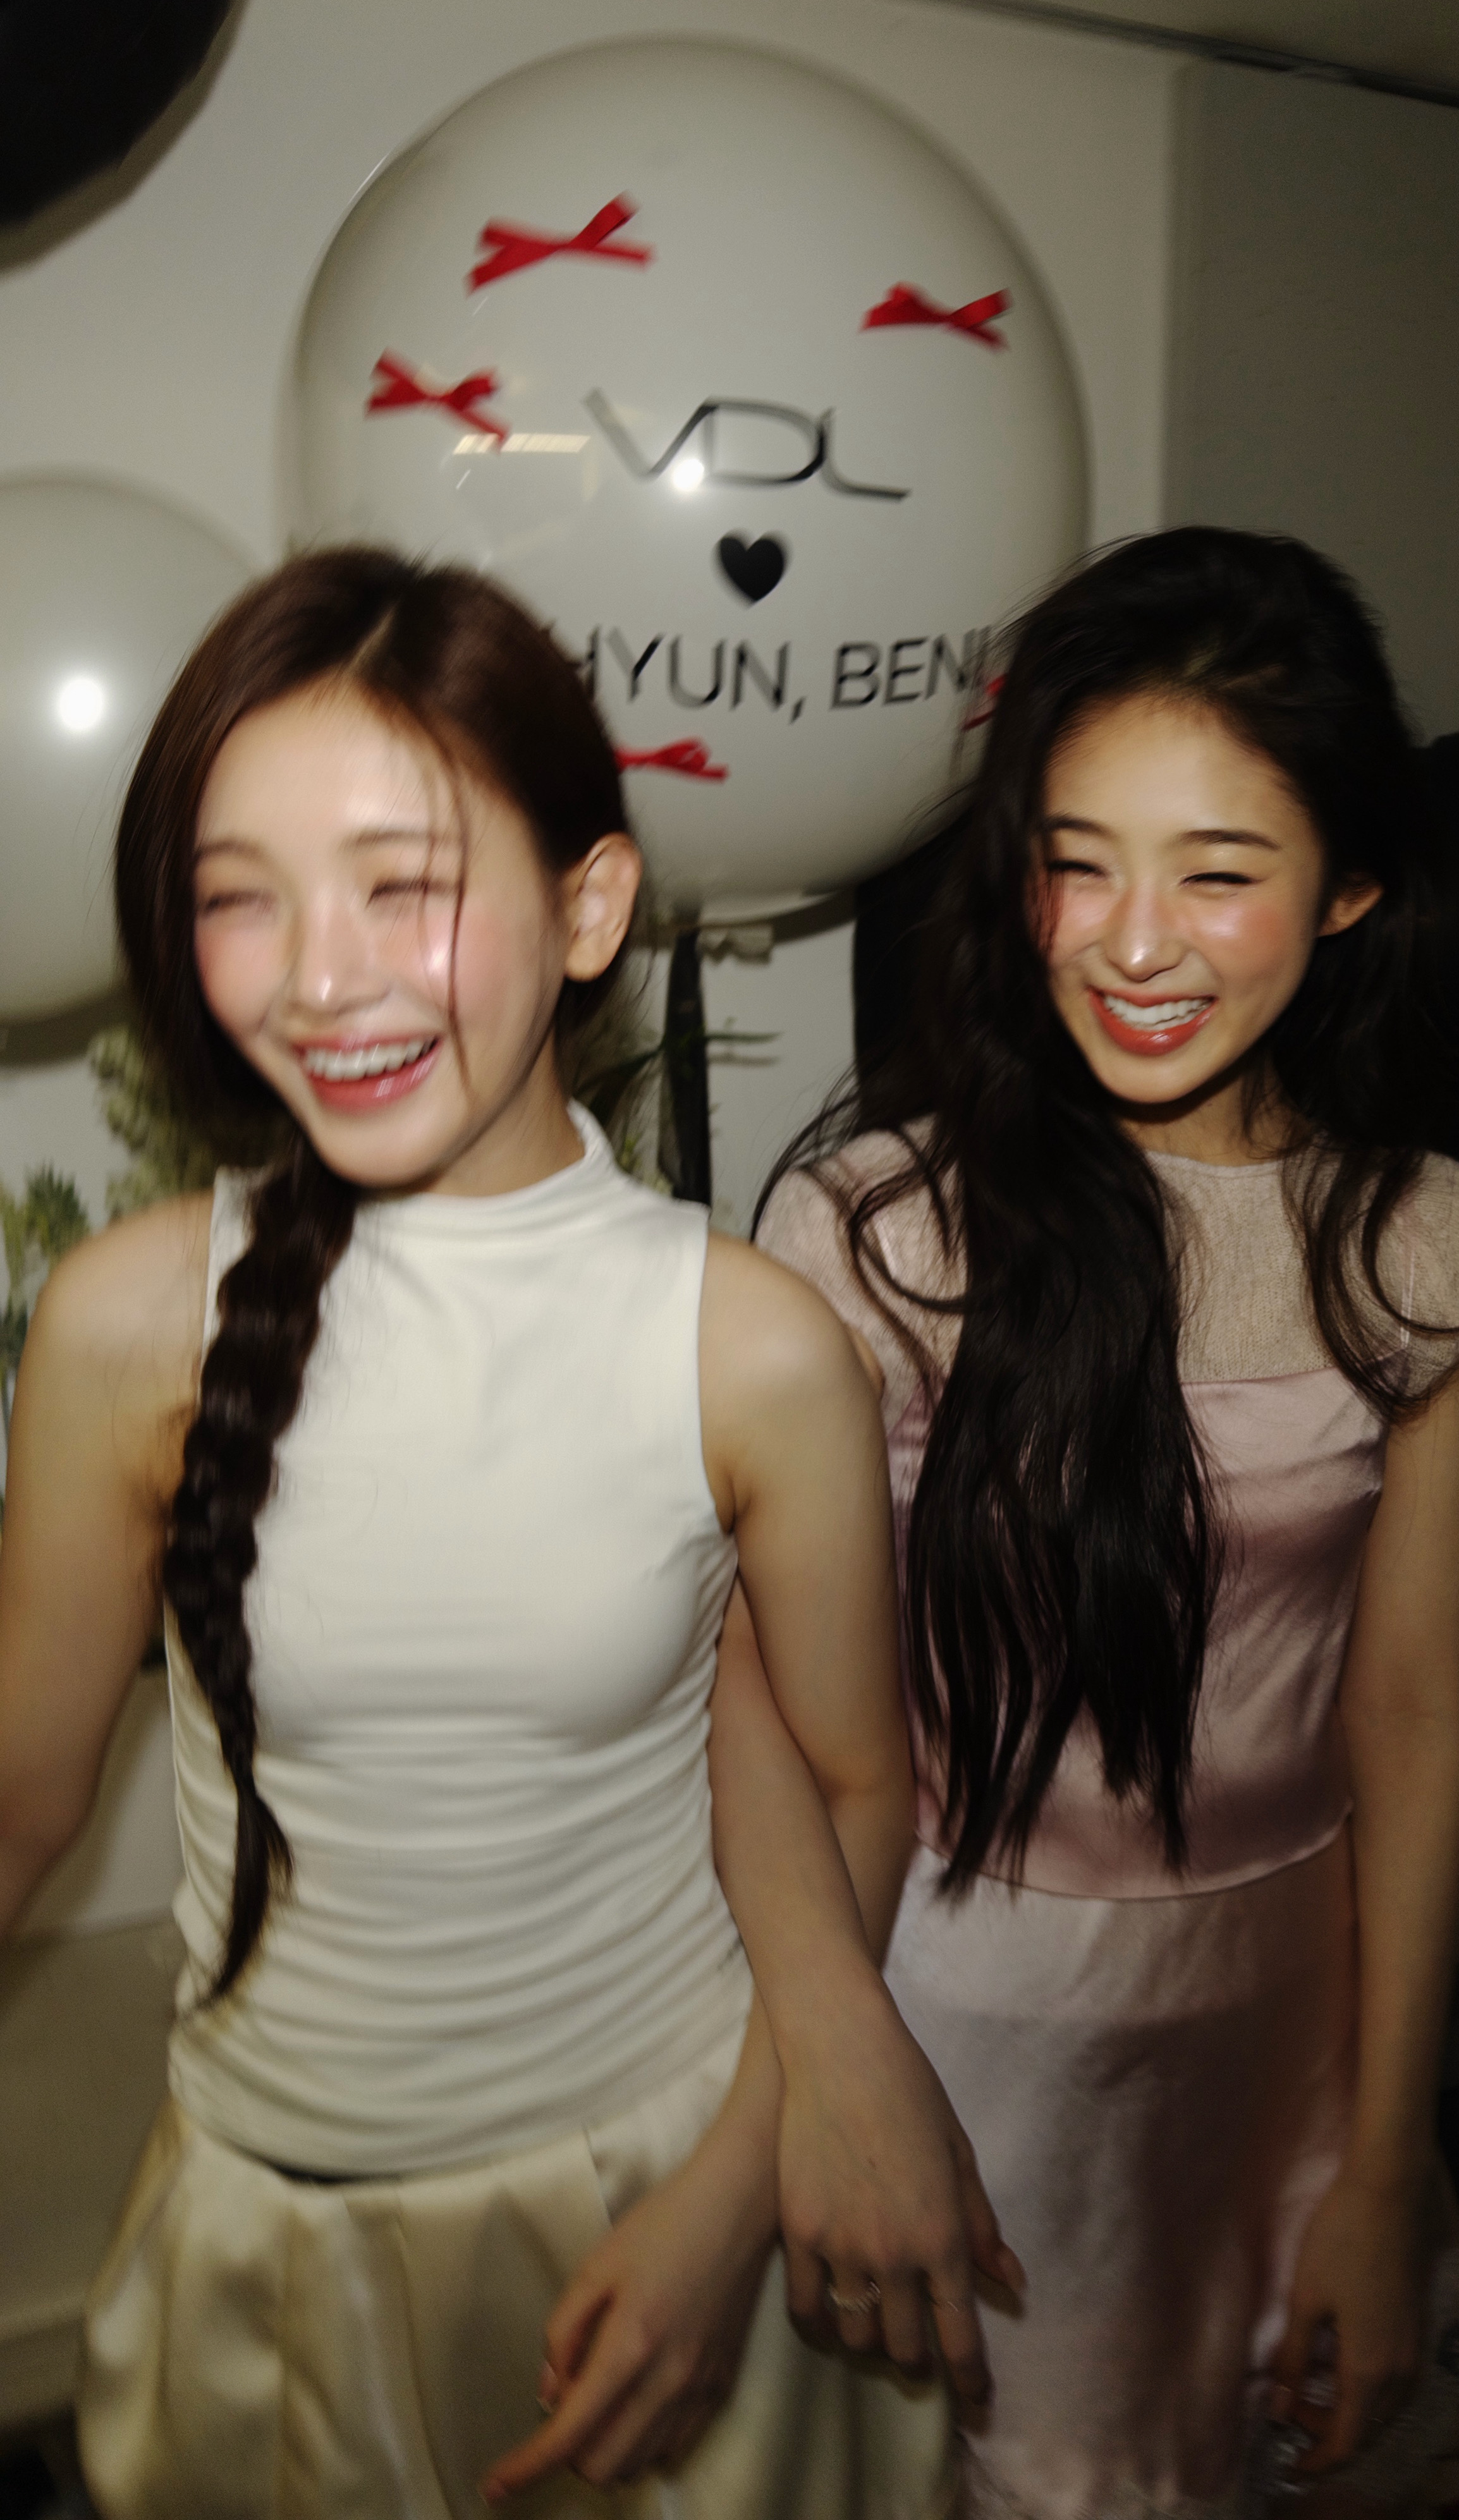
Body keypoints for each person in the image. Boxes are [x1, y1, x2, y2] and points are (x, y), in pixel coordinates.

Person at [0, 550, 1014, 2520]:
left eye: (405, 883)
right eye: (239, 895)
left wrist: (734, 2201)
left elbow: (857, 1790)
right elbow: (27, 1796)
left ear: (589, 906)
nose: (319, 977)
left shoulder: (748, 1348)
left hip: (661, 2197)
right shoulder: (127, 1323)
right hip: (267, 2242)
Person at [742, 527, 1459, 2517]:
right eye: (1077, 861)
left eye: (1220, 872)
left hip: (1277, 2036)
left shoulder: (1437, 1250)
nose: (1131, 943)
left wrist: (1383, 2161)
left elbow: (1410, 1714)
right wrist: (837, 2057)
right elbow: (756, 1701)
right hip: (936, 2017)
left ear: (1351, 885)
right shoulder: (875, 1231)